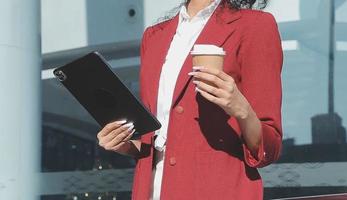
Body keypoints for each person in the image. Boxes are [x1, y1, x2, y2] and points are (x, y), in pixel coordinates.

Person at [97, 0, 283, 199]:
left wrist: (241, 109)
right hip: (152, 191)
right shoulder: (154, 37)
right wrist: (123, 143)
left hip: (217, 191)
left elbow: (269, 147)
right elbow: (161, 141)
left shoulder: (255, 26)